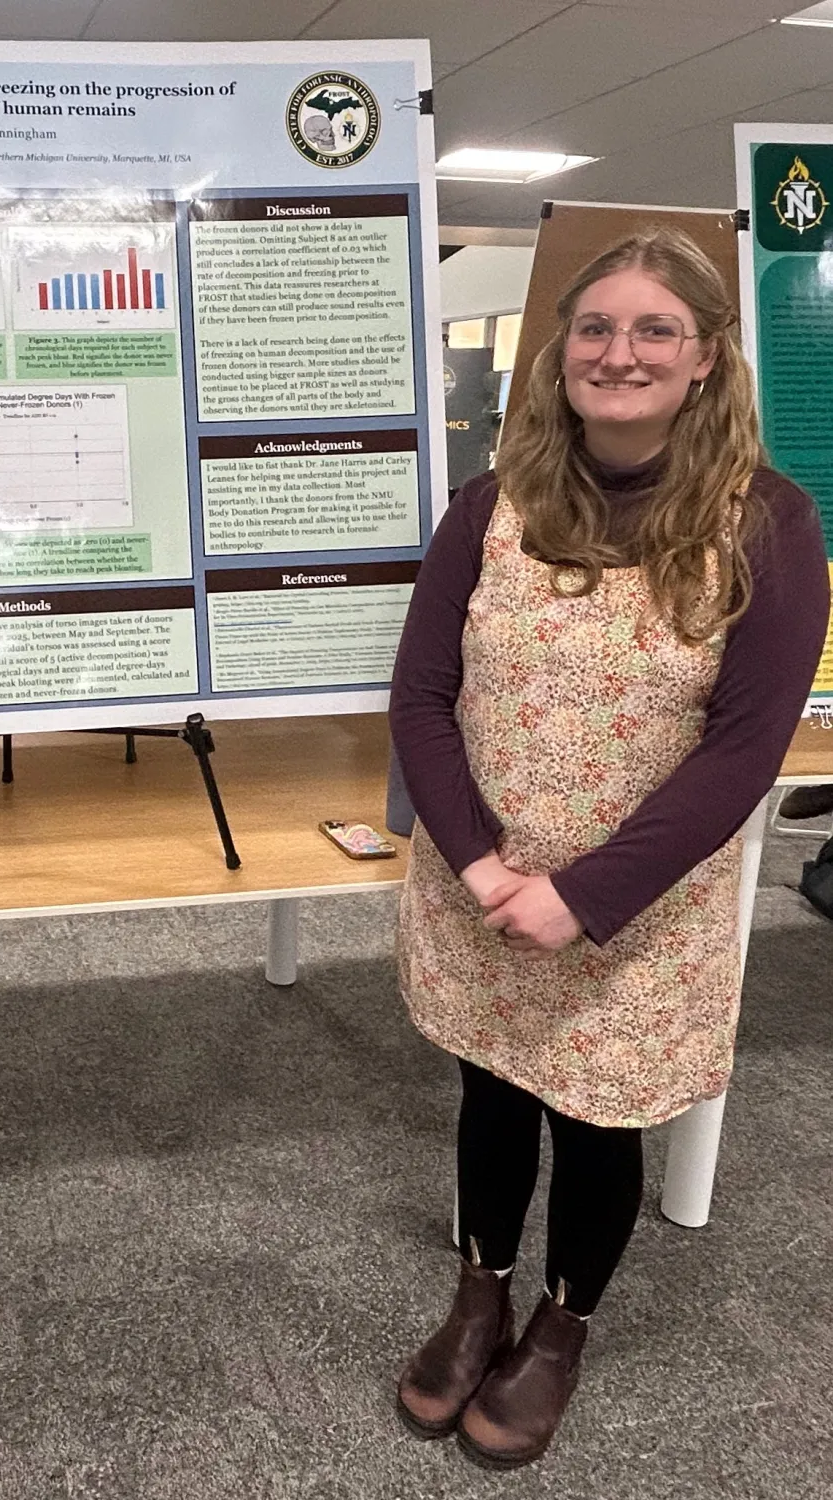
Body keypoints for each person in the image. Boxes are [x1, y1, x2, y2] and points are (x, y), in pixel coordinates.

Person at [388, 228, 829, 1469]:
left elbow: (746, 752)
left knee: (594, 1121)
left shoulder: (770, 527)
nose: (617, 352)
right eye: (594, 328)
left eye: (653, 331)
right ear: (559, 351)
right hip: (481, 882)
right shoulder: (491, 507)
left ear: (704, 362)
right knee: (487, 1082)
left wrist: (586, 898)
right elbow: (422, 696)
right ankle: (479, 1291)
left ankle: (559, 1326)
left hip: (641, 906)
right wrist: (480, 868)